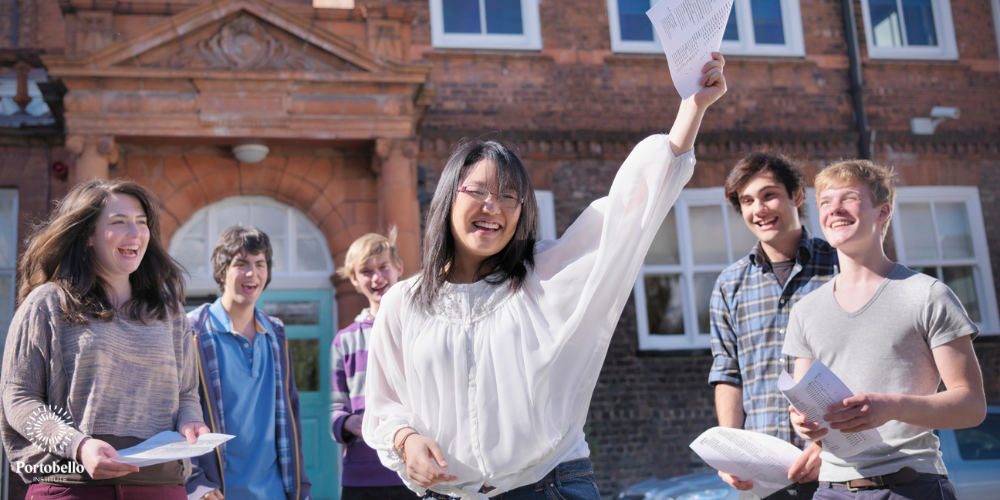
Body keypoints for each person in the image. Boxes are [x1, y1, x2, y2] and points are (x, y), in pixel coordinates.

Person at [361, 54, 727, 500]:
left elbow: (627, 213)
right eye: (478, 191)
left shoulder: (546, 276)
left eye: (509, 196)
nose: (493, 206)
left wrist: (691, 109)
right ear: (448, 198)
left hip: (549, 486)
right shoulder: (404, 303)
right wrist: (406, 441)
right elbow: (384, 407)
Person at [783, 160, 986, 500]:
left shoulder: (928, 295)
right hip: (830, 491)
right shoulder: (805, 311)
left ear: (883, 211)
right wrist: (804, 424)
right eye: (825, 202)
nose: (834, 208)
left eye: (849, 198)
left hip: (912, 487)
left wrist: (892, 407)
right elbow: (805, 408)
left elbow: (972, 405)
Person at [0, 179, 207, 499]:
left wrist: (191, 421)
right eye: (118, 222)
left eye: (141, 222)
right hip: (70, 486)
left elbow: (187, 394)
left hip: (162, 487)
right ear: (87, 236)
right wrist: (78, 446)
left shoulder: (170, 311)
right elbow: (18, 398)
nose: (135, 233)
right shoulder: (47, 304)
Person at [708, 153, 838, 499]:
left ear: (797, 195)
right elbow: (728, 374)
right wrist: (730, 450)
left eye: (769, 195)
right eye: (747, 201)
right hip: (761, 477)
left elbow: (864, 363)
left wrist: (827, 446)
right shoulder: (729, 284)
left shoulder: (840, 267)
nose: (759, 209)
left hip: (836, 470)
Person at [185, 226, 311, 500]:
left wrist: (301, 488)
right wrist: (196, 482)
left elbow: (291, 417)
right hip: (216, 492)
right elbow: (173, 413)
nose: (252, 272)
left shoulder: (276, 333)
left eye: (260, 264)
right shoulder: (192, 331)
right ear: (222, 272)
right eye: (241, 264)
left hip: (274, 492)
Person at [332, 227, 419, 500]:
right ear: (354, 280)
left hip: (415, 469)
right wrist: (347, 422)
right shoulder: (344, 341)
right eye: (366, 272)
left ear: (399, 268)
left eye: (383, 267)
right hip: (362, 477)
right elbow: (334, 408)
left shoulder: (420, 330)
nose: (377, 277)